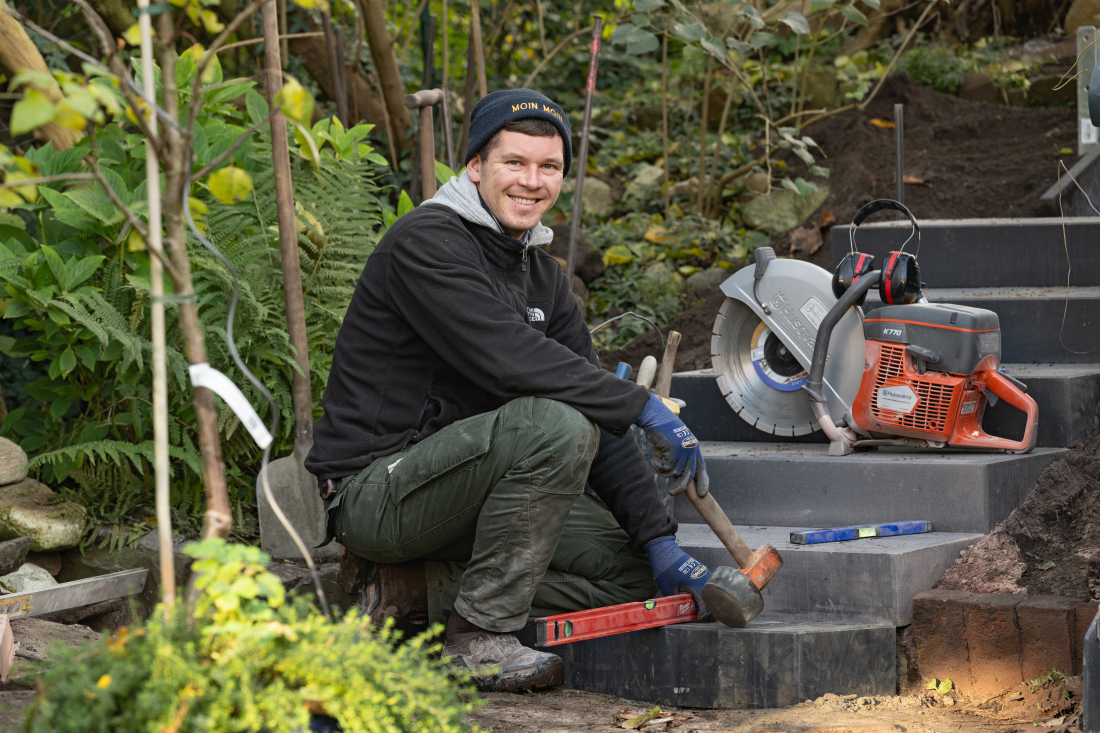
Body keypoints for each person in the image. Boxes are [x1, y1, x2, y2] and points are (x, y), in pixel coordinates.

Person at [306, 89, 712, 693]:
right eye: (513, 163)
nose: (531, 181)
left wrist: (659, 540)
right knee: (556, 423)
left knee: (629, 569)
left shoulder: (543, 278)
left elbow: (593, 408)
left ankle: (404, 592)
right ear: (475, 166)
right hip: (380, 493)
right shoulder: (426, 244)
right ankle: (477, 636)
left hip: (472, 493)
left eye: (548, 167)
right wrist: (643, 405)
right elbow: (510, 360)